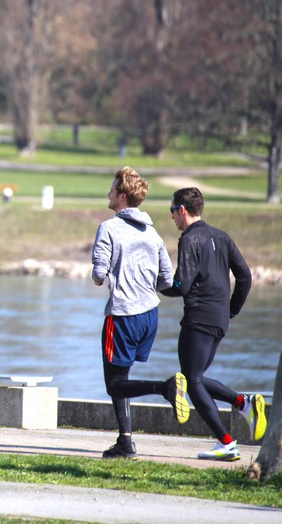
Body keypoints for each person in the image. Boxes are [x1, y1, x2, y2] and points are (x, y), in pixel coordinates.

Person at [162, 187, 265, 462]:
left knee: (191, 380)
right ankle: (243, 404)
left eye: (172, 211)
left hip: (198, 317)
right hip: (219, 320)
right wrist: (231, 309)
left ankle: (227, 442)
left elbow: (182, 285)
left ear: (182, 210)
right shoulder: (221, 236)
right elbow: (245, 276)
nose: (172, 217)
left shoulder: (189, 239)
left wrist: (159, 287)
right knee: (195, 377)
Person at [92, 166, 188, 460]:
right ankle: (125, 441)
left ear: (121, 196)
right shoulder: (154, 234)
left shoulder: (108, 228)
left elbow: (98, 275)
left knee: (115, 383)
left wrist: (102, 273)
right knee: (122, 377)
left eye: (111, 189)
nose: (107, 194)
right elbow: (165, 281)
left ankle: (166, 387)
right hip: (150, 317)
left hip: (122, 316)